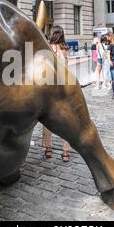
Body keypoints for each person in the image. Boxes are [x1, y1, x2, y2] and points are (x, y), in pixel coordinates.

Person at [43, 26, 71, 162]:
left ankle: (48, 149)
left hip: (49, 86)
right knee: (67, 120)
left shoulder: (47, 48)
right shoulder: (65, 49)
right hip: (64, 87)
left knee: (47, 119)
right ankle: (65, 152)